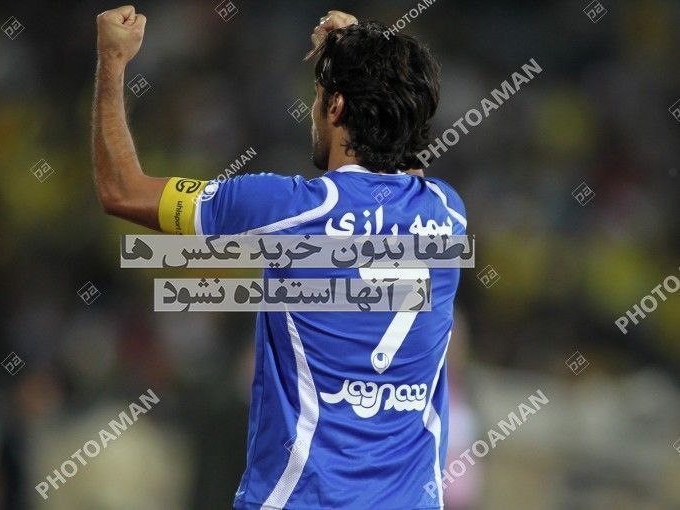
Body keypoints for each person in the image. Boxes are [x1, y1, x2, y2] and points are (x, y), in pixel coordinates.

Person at [92, 6, 466, 509]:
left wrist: (112, 61)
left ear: (336, 108)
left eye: (318, 97)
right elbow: (404, 150)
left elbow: (121, 190)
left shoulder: (288, 210)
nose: (312, 112)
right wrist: (362, 53)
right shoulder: (447, 213)